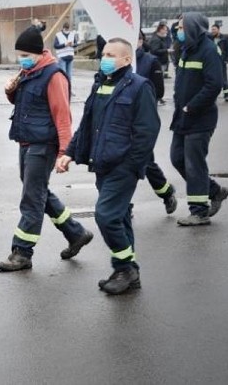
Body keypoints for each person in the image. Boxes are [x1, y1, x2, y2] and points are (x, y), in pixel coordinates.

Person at [56, 37, 160, 295]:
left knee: (106, 215)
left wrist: (133, 164)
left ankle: (125, 267)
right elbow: (88, 124)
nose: (106, 58)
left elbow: (148, 131)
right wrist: (70, 153)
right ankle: (127, 272)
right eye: (104, 54)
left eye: (112, 55)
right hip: (102, 163)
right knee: (120, 216)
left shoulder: (139, 86)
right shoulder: (101, 84)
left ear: (127, 59)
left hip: (123, 166)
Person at [0, 27, 93, 272]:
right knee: (37, 191)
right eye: (19, 55)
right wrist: (10, 91)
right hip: (26, 141)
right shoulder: (28, 71)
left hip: (43, 144)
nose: (21, 59)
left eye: (24, 54)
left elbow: (63, 116)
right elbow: (22, 104)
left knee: (32, 197)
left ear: (38, 53)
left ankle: (22, 252)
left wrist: (64, 152)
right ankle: (76, 232)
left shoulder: (54, 75)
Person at [170, 12, 228, 226]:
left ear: (193, 28)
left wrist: (191, 106)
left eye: (181, 27)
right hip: (183, 117)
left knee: (194, 164)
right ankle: (215, 190)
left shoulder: (208, 50)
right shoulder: (188, 48)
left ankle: (199, 211)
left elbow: (214, 85)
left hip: (199, 118)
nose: (178, 31)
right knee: (177, 158)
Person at [135, 31, 178, 214]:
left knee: (145, 161)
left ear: (141, 40)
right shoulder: (115, 60)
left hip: (141, 119)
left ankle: (166, 192)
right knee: (118, 165)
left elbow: (158, 91)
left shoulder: (149, 61)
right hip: (118, 121)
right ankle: (122, 207)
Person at [210, 23, 228, 102]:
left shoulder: (224, 38)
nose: (213, 31)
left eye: (214, 29)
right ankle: (213, 96)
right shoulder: (210, 38)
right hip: (212, 61)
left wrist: (227, 58)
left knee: (224, 78)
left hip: (222, 61)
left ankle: (227, 95)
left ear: (218, 29)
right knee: (213, 79)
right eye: (212, 29)